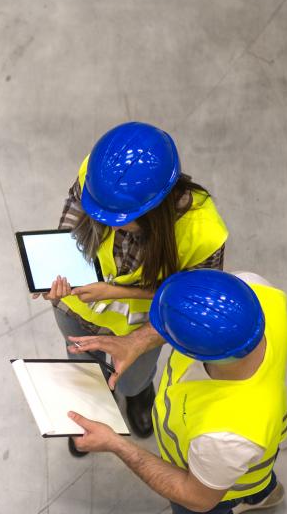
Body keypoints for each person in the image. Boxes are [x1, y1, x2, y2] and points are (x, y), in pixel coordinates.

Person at [66, 269, 287, 514]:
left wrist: (116, 444)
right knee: (251, 475)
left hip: (211, 481)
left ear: (199, 352)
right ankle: (261, 493)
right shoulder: (257, 289)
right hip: (253, 452)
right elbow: (198, 312)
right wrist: (135, 342)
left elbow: (197, 497)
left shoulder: (225, 437)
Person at [33, 122, 228, 457]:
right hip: (77, 309)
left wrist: (118, 296)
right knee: (82, 365)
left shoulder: (202, 233)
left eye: (116, 217)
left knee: (132, 378)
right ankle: (90, 410)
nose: (104, 221)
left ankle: (138, 395)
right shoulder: (99, 175)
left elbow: (191, 306)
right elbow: (75, 209)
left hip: (139, 330)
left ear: (155, 209)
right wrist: (55, 272)